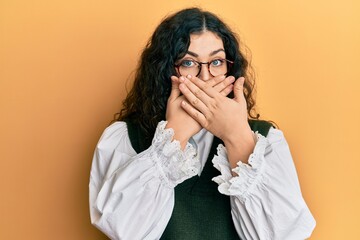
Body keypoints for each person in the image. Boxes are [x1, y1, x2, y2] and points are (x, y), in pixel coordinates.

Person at [89, 8, 316, 240]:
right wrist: (173, 137)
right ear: (166, 69)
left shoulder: (266, 140)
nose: (205, 77)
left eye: (217, 61)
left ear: (230, 69)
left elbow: (285, 235)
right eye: (188, 63)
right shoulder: (124, 137)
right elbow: (123, 232)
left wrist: (237, 137)